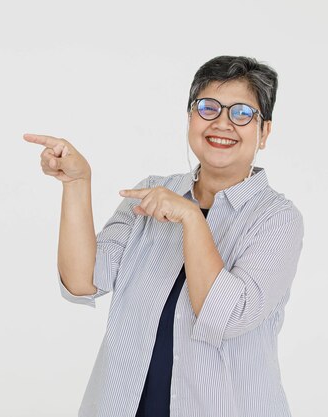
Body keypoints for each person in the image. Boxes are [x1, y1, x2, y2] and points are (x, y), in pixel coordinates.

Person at [23, 55, 304, 417]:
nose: (222, 123)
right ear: (190, 118)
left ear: (263, 132)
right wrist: (78, 183)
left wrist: (191, 217)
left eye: (242, 113)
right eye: (208, 108)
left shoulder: (276, 219)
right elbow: (82, 281)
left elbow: (226, 316)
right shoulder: (152, 192)